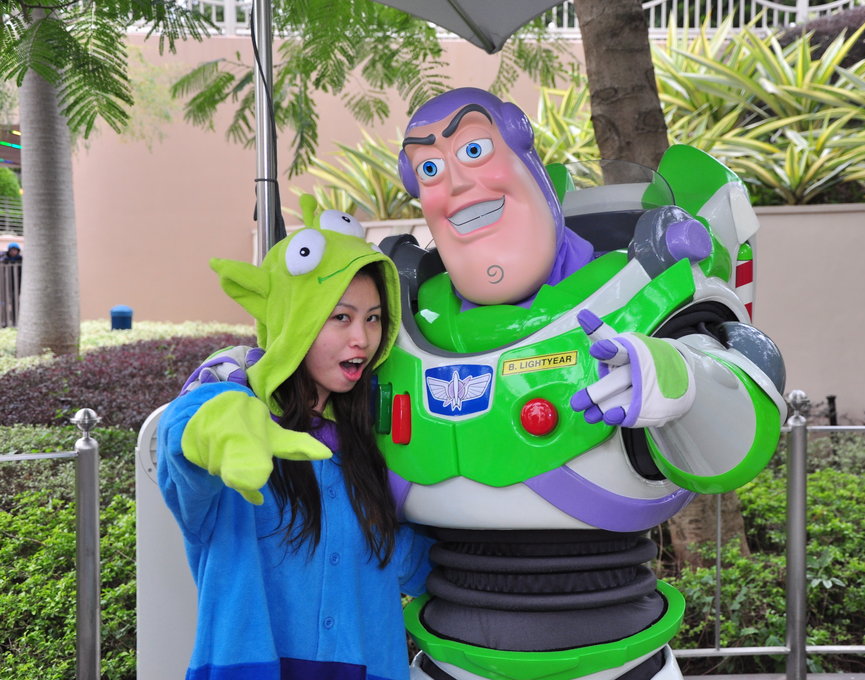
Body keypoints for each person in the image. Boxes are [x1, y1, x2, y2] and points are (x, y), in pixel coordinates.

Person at [173, 88, 786, 680]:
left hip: (617, 655)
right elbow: (214, 416)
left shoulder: (634, 297)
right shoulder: (394, 346)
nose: (457, 182)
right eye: (430, 168)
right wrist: (216, 399)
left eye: (473, 150)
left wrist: (678, 377)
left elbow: (743, 413)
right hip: (437, 660)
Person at [157, 217, 433, 680]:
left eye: (373, 318)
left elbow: (416, 565)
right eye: (341, 317)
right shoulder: (237, 420)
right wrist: (213, 422)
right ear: (295, 318)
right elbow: (186, 446)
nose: (362, 339)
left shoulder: (371, 446)